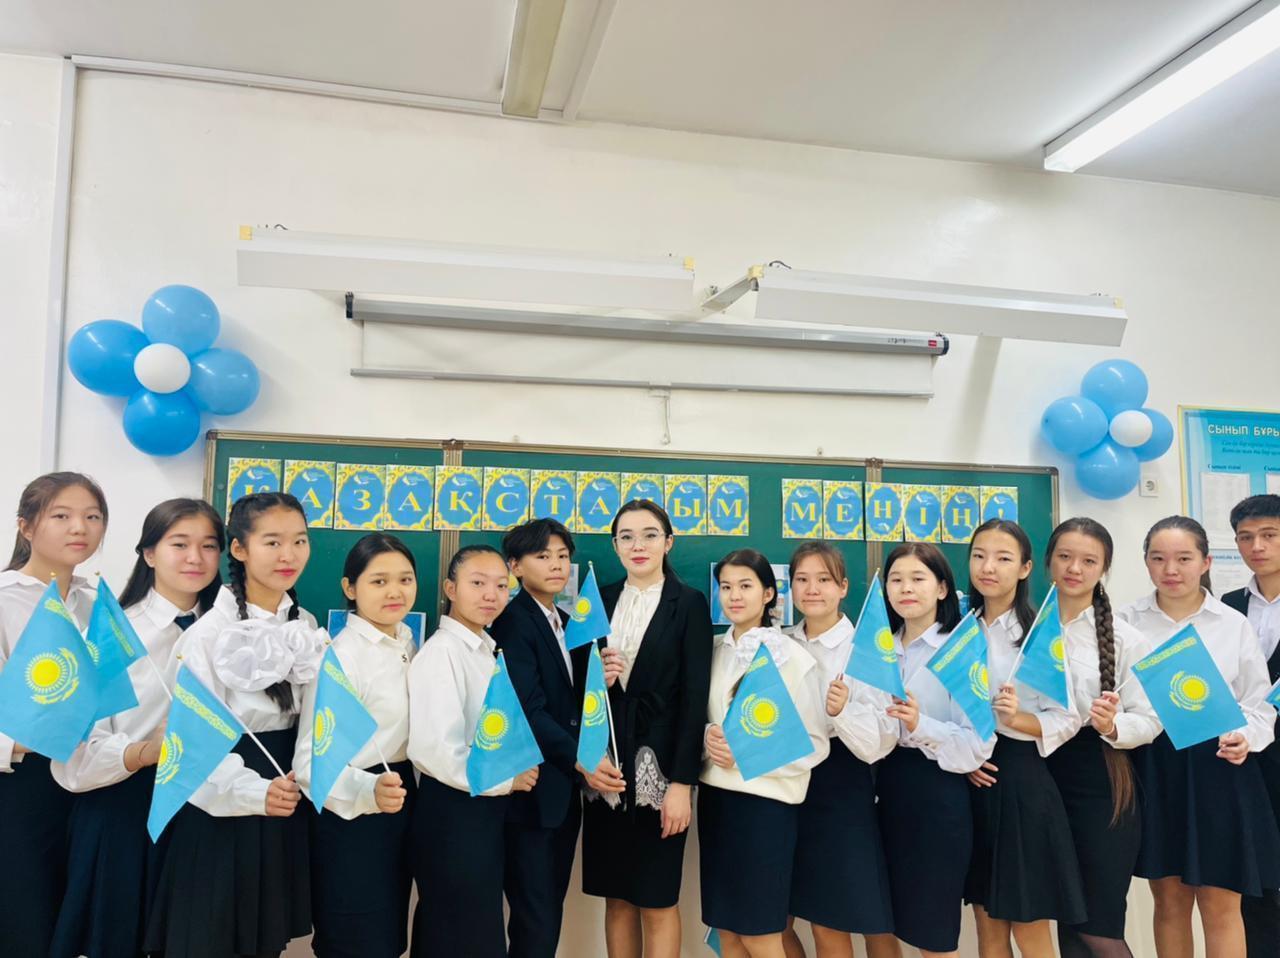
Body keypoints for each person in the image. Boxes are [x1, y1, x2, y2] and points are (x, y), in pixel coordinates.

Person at [583, 499, 712, 958]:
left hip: (660, 769)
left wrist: (681, 784)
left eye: (650, 535)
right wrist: (597, 679)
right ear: (615, 546)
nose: (638, 545)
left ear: (668, 542)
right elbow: (577, 688)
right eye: (627, 537)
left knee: (657, 899)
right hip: (606, 768)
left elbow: (695, 700)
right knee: (617, 897)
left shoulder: (689, 603)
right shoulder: (597, 601)